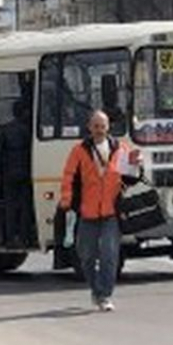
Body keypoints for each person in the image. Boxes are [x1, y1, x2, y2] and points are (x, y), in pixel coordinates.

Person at [59, 110, 141, 312]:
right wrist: (67, 200)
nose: (99, 130)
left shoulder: (120, 148)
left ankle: (104, 295)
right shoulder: (79, 150)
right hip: (87, 212)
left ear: (108, 127)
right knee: (85, 256)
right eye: (95, 126)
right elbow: (68, 176)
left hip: (111, 212)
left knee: (110, 254)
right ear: (89, 127)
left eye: (102, 126)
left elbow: (130, 178)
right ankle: (96, 290)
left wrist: (137, 166)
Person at [0, 100, 33, 249]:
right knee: (25, 206)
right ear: (24, 112)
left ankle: (10, 238)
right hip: (26, 173)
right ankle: (24, 237)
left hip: (8, 174)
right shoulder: (28, 130)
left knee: (10, 207)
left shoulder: (5, 130)